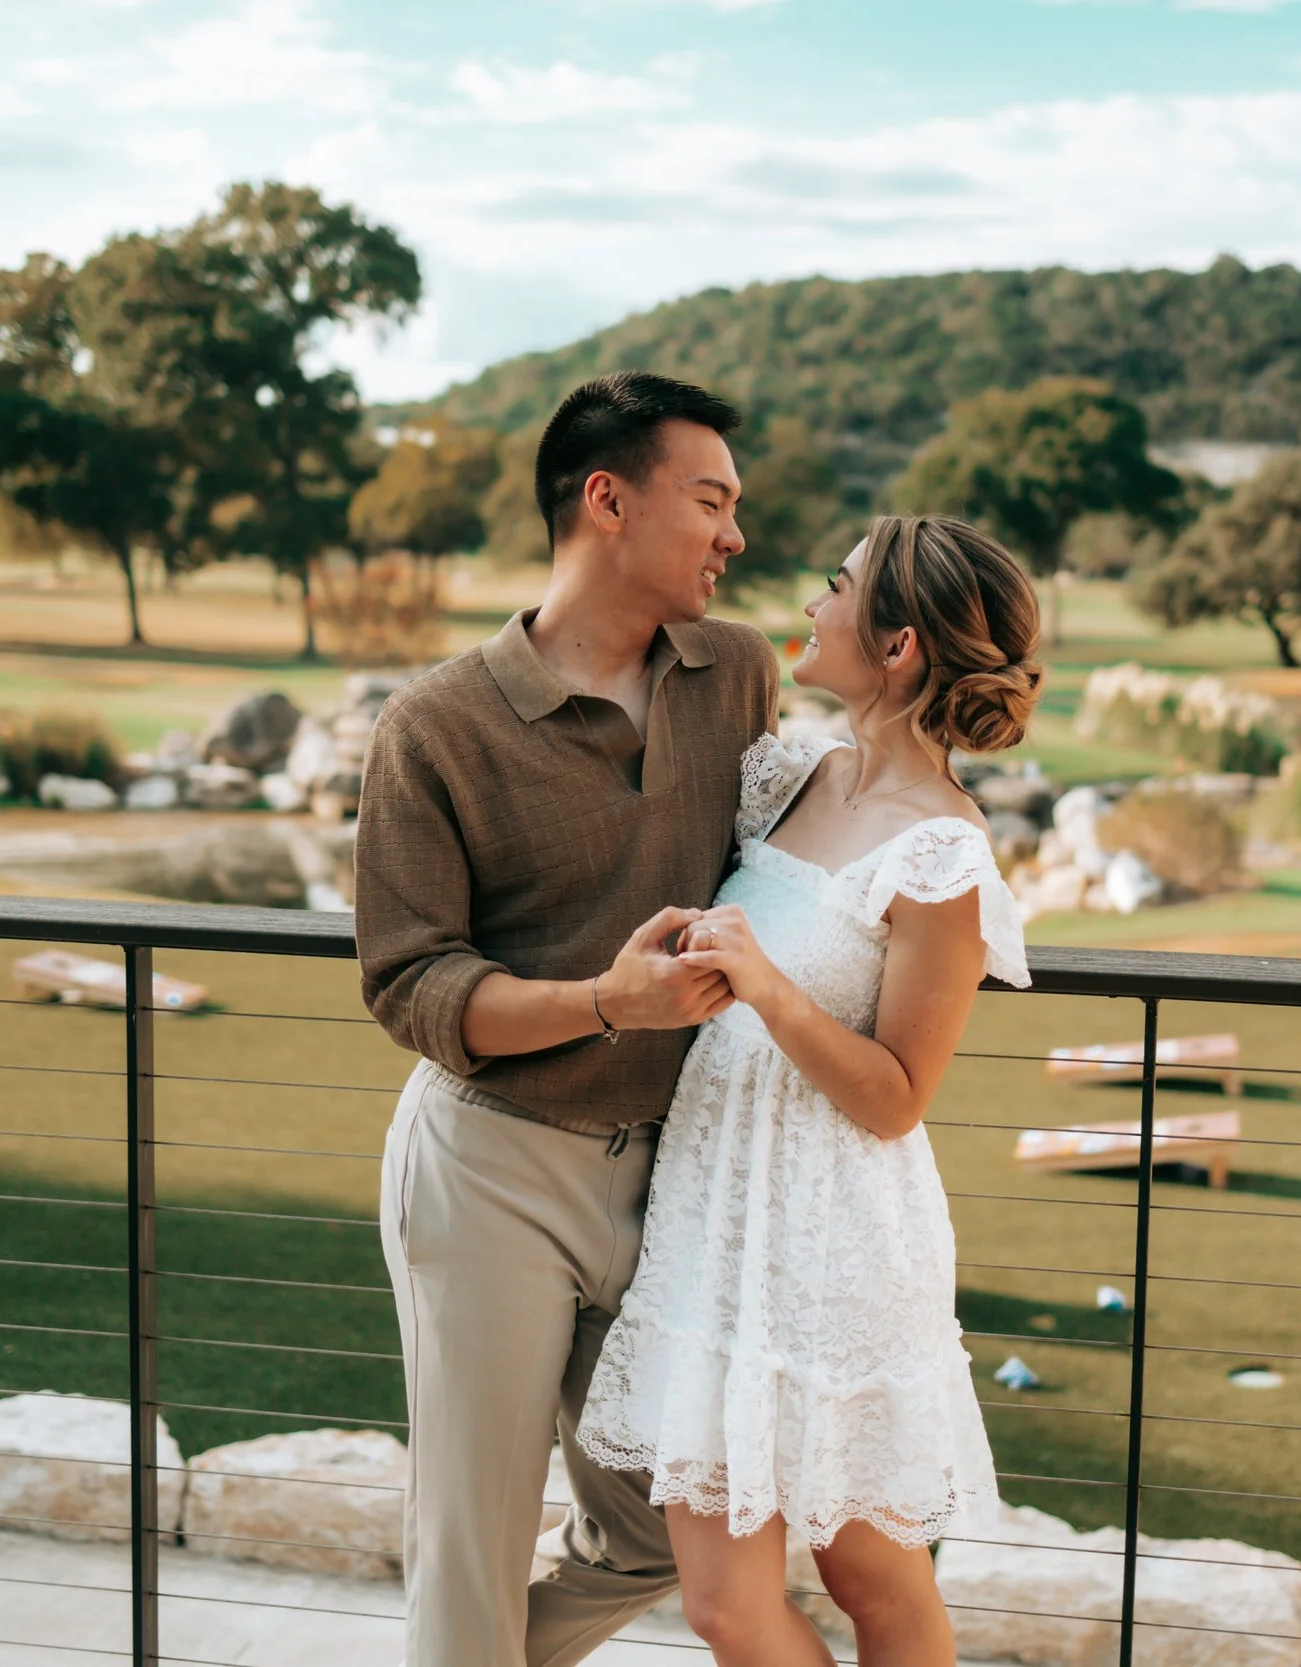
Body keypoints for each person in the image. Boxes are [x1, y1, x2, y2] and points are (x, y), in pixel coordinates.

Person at [358, 371, 782, 1667]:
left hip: (677, 1181)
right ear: (608, 501)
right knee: (471, 1554)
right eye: (710, 500)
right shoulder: (434, 725)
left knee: (666, 1529)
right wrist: (610, 998)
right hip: (492, 1165)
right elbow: (411, 983)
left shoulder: (739, 675)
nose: (735, 535)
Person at [577, 514, 1043, 1665]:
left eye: (833, 587)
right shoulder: (785, 777)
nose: (807, 606)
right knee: (725, 1604)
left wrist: (765, 984)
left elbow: (894, 1097)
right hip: (715, 1217)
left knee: (870, 1571)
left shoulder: (942, 854)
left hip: (839, 1237)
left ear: (895, 647)